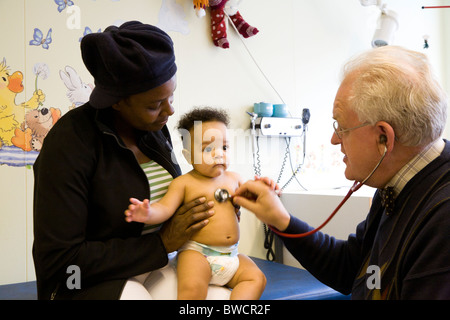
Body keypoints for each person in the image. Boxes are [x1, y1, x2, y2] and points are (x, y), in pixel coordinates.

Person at [233, 46, 450, 300]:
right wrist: (280, 219)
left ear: (384, 138)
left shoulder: (442, 217)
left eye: (342, 127)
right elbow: (351, 268)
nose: (335, 139)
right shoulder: (396, 182)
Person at [32, 21, 216, 300]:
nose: (170, 110)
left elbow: (173, 202)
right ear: (115, 101)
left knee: (213, 298)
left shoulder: (153, 131)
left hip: (149, 264)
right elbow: (61, 261)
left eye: (171, 96)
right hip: (79, 283)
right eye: (154, 105)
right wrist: (161, 243)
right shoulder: (69, 144)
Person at [125, 107, 267, 300]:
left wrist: (267, 190)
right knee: (192, 290)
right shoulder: (184, 183)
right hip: (197, 254)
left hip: (232, 255)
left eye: (224, 147)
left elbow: (255, 197)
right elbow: (165, 208)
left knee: (256, 278)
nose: (218, 154)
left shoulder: (235, 179)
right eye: (208, 148)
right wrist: (148, 212)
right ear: (188, 156)